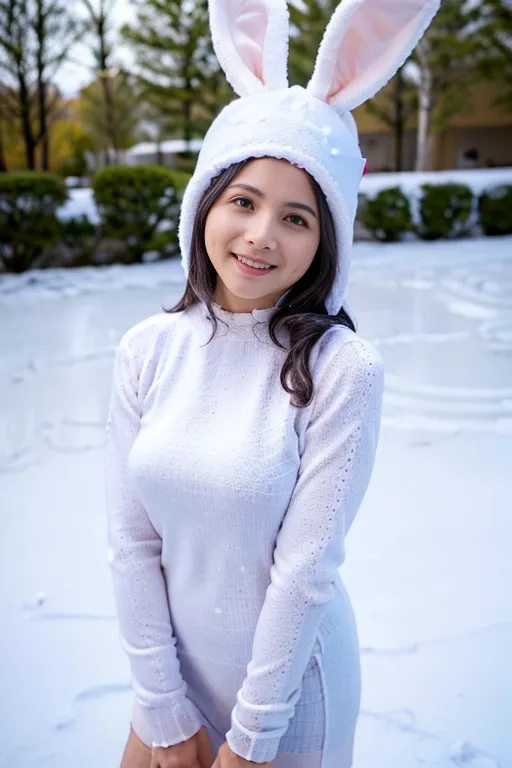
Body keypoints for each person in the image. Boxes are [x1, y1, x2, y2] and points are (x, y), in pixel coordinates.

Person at [104, 1, 441, 766]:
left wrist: (253, 741)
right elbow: (131, 543)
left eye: (298, 218)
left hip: (289, 697)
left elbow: (304, 573)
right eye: (244, 202)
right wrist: (160, 703)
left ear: (327, 241)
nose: (261, 236)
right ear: (205, 206)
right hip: (174, 683)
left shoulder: (340, 370)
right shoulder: (148, 351)